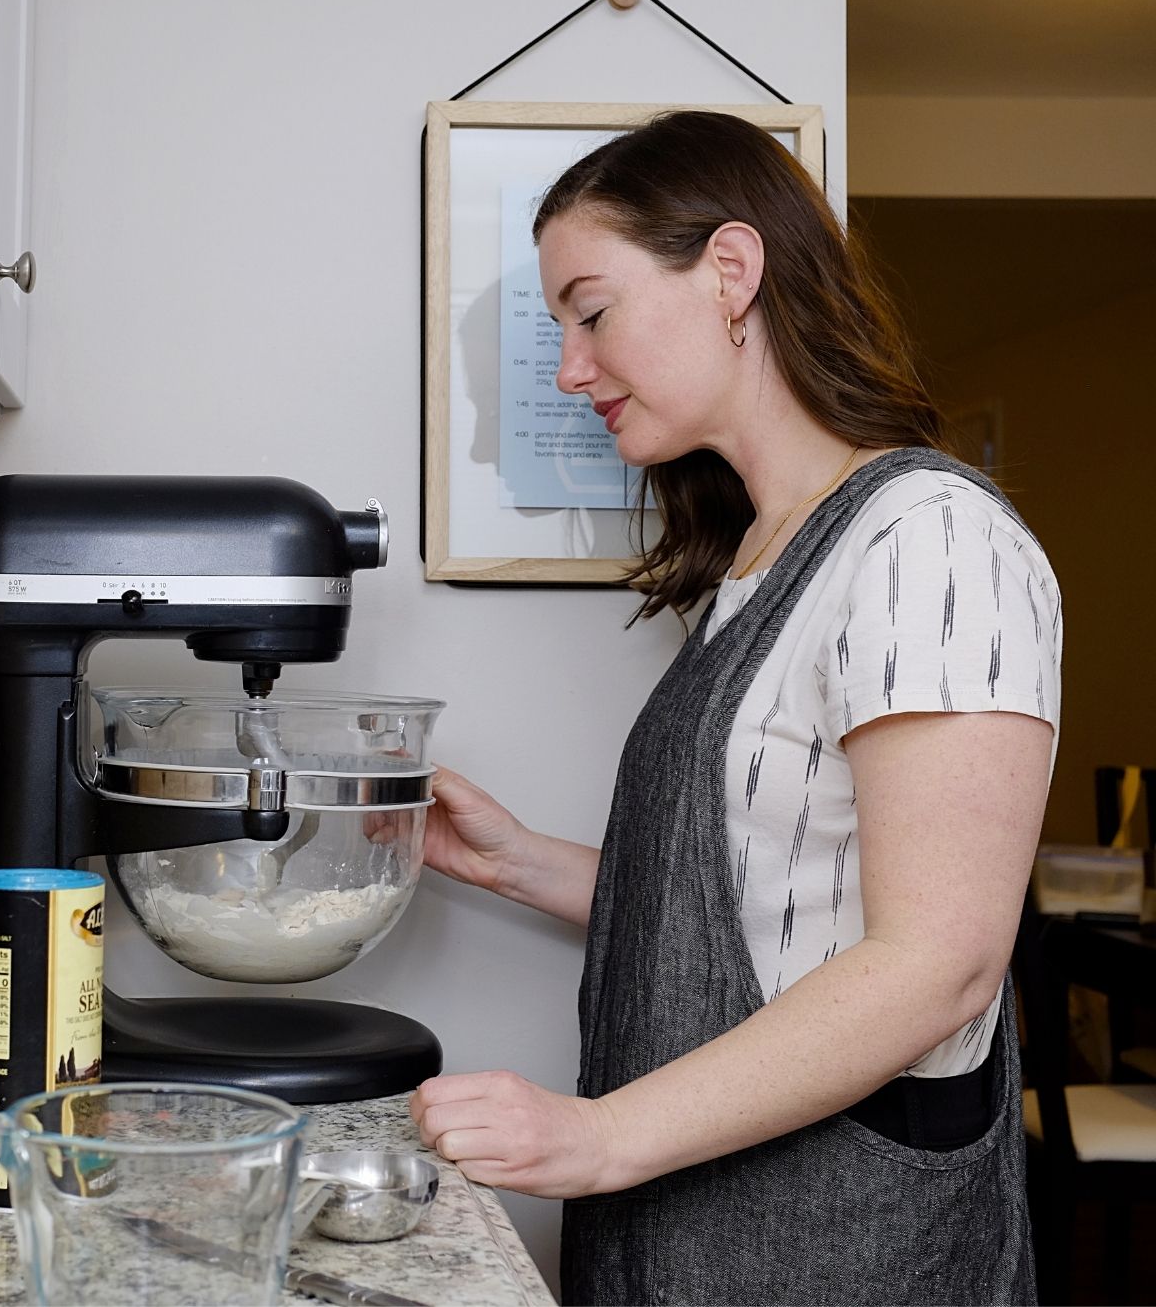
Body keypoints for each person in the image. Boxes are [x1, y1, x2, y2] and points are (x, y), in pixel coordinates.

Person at [410, 110, 1060, 1305]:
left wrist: (594, 1138)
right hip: (690, 1212)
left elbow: (938, 964)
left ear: (729, 270)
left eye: (590, 312)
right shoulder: (758, 557)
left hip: (843, 1239)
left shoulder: (929, 538)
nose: (566, 368)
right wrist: (513, 863)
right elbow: (756, 911)